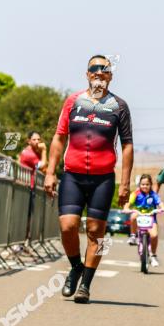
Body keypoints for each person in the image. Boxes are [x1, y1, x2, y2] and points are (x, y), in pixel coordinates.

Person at [44, 54, 134, 303]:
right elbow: (59, 137)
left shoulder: (120, 106)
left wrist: (125, 183)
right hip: (72, 175)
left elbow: (127, 146)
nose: (99, 72)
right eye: (94, 68)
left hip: (103, 179)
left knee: (98, 233)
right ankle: (75, 266)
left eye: (104, 69)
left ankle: (86, 284)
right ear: (87, 74)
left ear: (110, 76)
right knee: (68, 226)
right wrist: (51, 172)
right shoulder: (73, 102)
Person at [125, 174, 164, 267]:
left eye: (147, 184)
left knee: (154, 235)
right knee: (133, 216)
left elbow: (160, 203)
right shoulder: (135, 194)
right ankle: (133, 236)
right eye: (143, 184)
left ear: (151, 185)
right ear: (139, 185)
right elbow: (128, 203)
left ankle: (153, 255)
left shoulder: (153, 195)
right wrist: (126, 208)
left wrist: (163, 208)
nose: (145, 186)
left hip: (151, 218)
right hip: (139, 216)